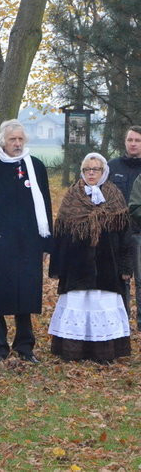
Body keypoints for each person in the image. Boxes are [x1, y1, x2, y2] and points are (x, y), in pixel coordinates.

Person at [0, 119, 52, 363]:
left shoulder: (36, 167)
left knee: (27, 294)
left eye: (20, 139)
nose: (17, 144)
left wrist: (45, 243)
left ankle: (25, 346)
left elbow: (46, 204)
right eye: (12, 139)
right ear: (3, 142)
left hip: (29, 242)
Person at [48, 153, 132, 363]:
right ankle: (74, 351)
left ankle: (102, 353)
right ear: (82, 172)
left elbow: (125, 237)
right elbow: (60, 235)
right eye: (87, 169)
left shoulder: (115, 197)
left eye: (96, 169)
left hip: (107, 267)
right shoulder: (72, 196)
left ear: (104, 172)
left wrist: (125, 266)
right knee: (78, 305)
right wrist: (58, 268)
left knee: (101, 306)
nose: (91, 173)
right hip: (77, 268)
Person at [107, 126, 141, 326]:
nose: (133, 144)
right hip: (117, 233)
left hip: (139, 232)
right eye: (130, 140)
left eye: (137, 140)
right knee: (122, 278)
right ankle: (122, 320)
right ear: (125, 142)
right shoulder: (112, 167)